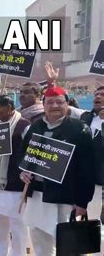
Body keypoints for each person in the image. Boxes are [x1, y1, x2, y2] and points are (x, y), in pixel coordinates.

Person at [20, 86, 95, 256]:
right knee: (39, 238)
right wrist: (23, 171)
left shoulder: (79, 129)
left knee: (67, 242)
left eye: (59, 102)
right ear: (43, 104)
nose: (55, 106)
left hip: (65, 196)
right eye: (50, 102)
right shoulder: (35, 127)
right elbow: (23, 155)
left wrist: (82, 202)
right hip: (38, 195)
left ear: (67, 104)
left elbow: (87, 168)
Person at [0, 95, 31, 256]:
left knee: (18, 226)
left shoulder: (25, 126)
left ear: (9, 107)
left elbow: (30, 153)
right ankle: (0, 252)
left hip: (16, 185)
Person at [79, 86, 104, 253]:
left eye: (102, 95)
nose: (98, 97)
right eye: (96, 94)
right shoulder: (85, 117)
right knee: (94, 220)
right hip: (92, 179)